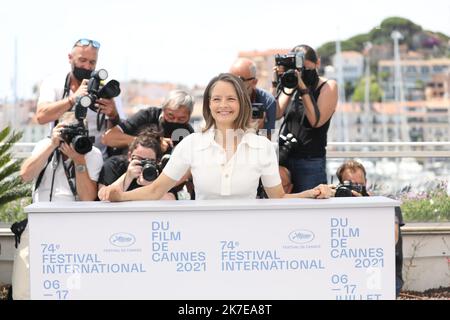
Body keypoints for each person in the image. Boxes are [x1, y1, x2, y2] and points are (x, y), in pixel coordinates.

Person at [99, 73, 333, 202]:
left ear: (241, 103)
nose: (223, 105)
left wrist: (310, 193)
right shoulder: (191, 144)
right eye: (216, 99)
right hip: (202, 241)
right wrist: (121, 197)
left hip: (250, 241)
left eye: (231, 99)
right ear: (208, 105)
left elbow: (278, 198)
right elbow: (155, 191)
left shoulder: (263, 146)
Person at [11, 112, 103, 300]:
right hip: (39, 224)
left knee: (72, 288)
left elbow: (87, 198)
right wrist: (52, 145)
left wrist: (79, 160)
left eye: (75, 132)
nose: (69, 137)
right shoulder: (45, 145)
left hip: (75, 228)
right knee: (23, 289)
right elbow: (25, 176)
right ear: (56, 130)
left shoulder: (91, 153)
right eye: (65, 131)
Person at [35, 38, 125, 159]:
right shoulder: (54, 83)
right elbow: (41, 117)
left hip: (96, 159)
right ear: (70, 58)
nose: (87, 66)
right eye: (82, 60)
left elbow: (120, 133)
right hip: (61, 157)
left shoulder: (107, 89)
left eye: (92, 62)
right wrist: (72, 99)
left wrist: (113, 115)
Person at [335, 160, 405, 297]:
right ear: (340, 185)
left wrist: (364, 206)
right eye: (349, 185)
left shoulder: (385, 205)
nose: (354, 189)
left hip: (382, 274)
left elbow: (392, 238)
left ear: (366, 183)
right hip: (347, 276)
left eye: (359, 185)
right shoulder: (334, 207)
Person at [275, 44, 338, 192]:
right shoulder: (291, 84)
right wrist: (278, 82)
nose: (302, 74)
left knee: (312, 211)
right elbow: (277, 113)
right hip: (285, 159)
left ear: (318, 63)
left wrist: (303, 88)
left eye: (306, 69)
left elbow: (316, 121)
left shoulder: (328, 86)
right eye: (299, 70)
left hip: (310, 162)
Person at [101, 90, 194, 152]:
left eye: (182, 119)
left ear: (189, 117)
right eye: (170, 116)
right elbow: (108, 138)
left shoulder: (189, 133)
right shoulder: (147, 115)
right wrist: (150, 143)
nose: (175, 121)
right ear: (163, 109)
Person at [98, 130, 176, 200]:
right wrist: (127, 177)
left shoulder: (159, 170)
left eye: (149, 161)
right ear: (129, 156)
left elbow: (171, 200)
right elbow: (103, 196)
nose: (143, 163)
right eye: (138, 159)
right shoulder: (116, 164)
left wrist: (151, 186)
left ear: (157, 161)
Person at [229, 58, 277, 139]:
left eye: (240, 80)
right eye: (230, 80)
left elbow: (267, 143)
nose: (234, 85)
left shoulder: (267, 101)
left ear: (254, 82)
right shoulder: (222, 101)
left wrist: (260, 127)